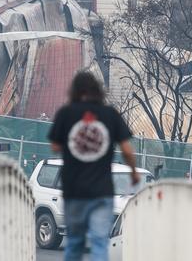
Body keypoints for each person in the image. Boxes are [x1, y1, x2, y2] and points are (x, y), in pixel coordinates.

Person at [49, 71, 139, 261]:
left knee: (74, 243)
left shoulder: (66, 113)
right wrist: (133, 173)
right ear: (97, 91)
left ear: (75, 90)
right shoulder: (110, 114)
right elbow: (127, 150)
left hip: (73, 191)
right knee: (99, 242)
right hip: (101, 191)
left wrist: (74, 142)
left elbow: (55, 146)